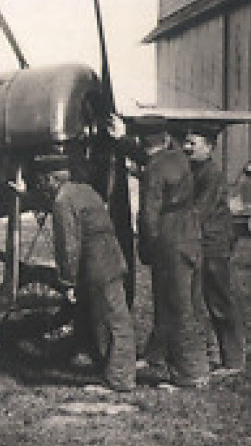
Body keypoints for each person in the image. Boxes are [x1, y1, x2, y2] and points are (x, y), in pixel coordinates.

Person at [31, 154, 137, 394]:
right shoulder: (85, 191)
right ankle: (111, 371)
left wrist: (67, 282)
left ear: (50, 179)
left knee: (113, 321)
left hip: (97, 266)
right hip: (113, 258)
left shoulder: (62, 201)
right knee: (108, 318)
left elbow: (68, 245)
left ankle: (120, 379)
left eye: (41, 181)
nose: (40, 185)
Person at [134, 122, 210, 389]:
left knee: (174, 302)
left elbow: (149, 216)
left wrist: (147, 247)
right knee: (191, 299)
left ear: (143, 143)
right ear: (165, 138)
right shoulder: (179, 158)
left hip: (169, 237)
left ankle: (189, 373)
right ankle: (201, 360)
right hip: (190, 231)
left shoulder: (153, 170)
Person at [183, 125, 245, 375]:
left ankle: (233, 360)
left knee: (219, 301)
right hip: (202, 242)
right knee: (201, 301)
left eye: (192, 143)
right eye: (186, 143)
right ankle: (212, 354)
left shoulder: (211, 175)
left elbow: (199, 211)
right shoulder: (195, 170)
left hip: (214, 245)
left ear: (209, 148)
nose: (187, 148)